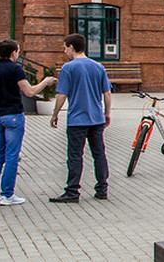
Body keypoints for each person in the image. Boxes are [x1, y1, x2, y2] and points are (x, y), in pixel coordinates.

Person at [0, 39, 56, 206]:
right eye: (18, 51)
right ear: (13, 52)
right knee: (12, 156)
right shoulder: (15, 69)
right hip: (14, 116)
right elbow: (29, 91)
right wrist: (45, 82)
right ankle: (7, 195)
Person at [49, 33, 112, 203]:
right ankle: (102, 189)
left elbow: (62, 95)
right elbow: (107, 93)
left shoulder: (68, 68)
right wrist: (107, 113)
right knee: (99, 154)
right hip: (96, 119)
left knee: (75, 156)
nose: (64, 51)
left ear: (71, 47)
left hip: (77, 119)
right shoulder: (98, 67)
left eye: (65, 48)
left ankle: (72, 191)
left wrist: (55, 114)